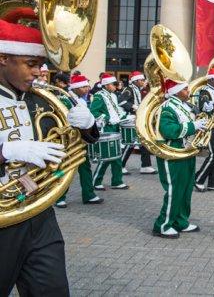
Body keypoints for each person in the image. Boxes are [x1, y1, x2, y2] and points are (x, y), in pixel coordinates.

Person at [0, 19, 98, 296]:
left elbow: (69, 141)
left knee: (53, 290)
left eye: (40, 65)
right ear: (3, 58)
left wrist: (87, 126)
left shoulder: (41, 99)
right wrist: (6, 151)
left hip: (39, 215)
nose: (38, 73)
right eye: (30, 64)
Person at [153, 79, 207, 238]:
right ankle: (162, 225)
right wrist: (193, 126)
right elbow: (168, 130)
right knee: (174, 189)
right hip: (172, 152)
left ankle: (181, 221)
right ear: (175, 91)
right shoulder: (167, 108)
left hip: (186, 151)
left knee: (186, 188)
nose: (188, 91)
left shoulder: (184, 106)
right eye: (184, 89)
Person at [55, 74, 104, 208]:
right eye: (83, 87)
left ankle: (89, 194)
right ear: (75, 88)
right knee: (66, 168)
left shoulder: (82, 99)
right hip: (69, 140)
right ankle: (59, 196)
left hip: (80, 139)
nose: (87, 89)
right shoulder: (65, 99)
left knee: (85, 167)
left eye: (87, 86)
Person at [90, 73, 129, 191]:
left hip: (116, 127)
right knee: (107, 156)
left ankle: (117, 181)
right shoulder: (98, 96)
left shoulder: (113, 96)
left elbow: (115, 110)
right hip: (107, 128)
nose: (116, 86)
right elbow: (93, 112)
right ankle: (96, 181)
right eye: (114, 84)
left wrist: (125, 116)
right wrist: (107, 118)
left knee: (117, 155)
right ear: (106, 85)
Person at [118, 70, 156, 175]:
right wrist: (134, 107)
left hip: (137, 119)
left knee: (144, 142)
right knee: (130, 143)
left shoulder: (137, 89)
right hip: (130, 119)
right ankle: (120, 165)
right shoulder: (129, 89)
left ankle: (146, 165)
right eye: (142, 80)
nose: (143, 81)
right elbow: (121, 100)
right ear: (136, 81)